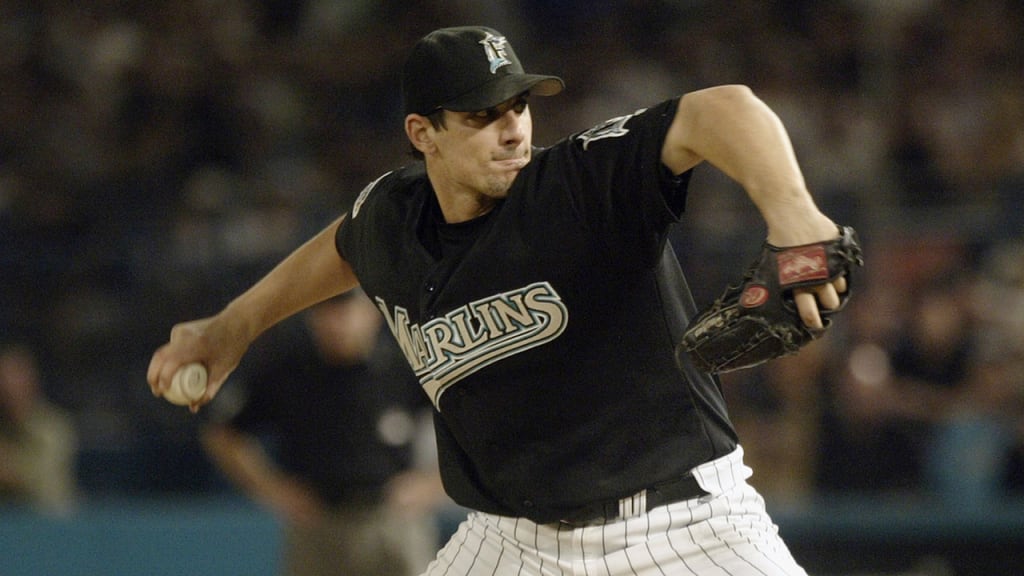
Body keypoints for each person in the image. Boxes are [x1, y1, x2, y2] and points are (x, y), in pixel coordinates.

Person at [149, 26, 851, 575]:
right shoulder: (392, 218)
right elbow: (343, 246)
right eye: (483, 115)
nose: (514, 128)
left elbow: (720, 108)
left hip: (681, 525)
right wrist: (233, 326)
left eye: (518, 104)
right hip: (512, 545)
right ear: (423, 133)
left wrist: (795, 216)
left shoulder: (577, 186)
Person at [200, 290, 447, 576]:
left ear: (372, 314)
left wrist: (433, 486)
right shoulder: (288, 370)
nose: (336, 322)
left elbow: (467, 421)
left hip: (392, 519)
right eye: (326, 311)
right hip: (317, 522)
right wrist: (271, 489)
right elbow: (223, 434)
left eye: (346, 311)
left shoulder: (402, 366)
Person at [0, 340, 78, 514]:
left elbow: (46, 486)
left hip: (48, 528)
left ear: (31, 380)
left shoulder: (54, 428)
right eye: (2, 378)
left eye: (14, 377)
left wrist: (10, 474)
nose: (7, 386)